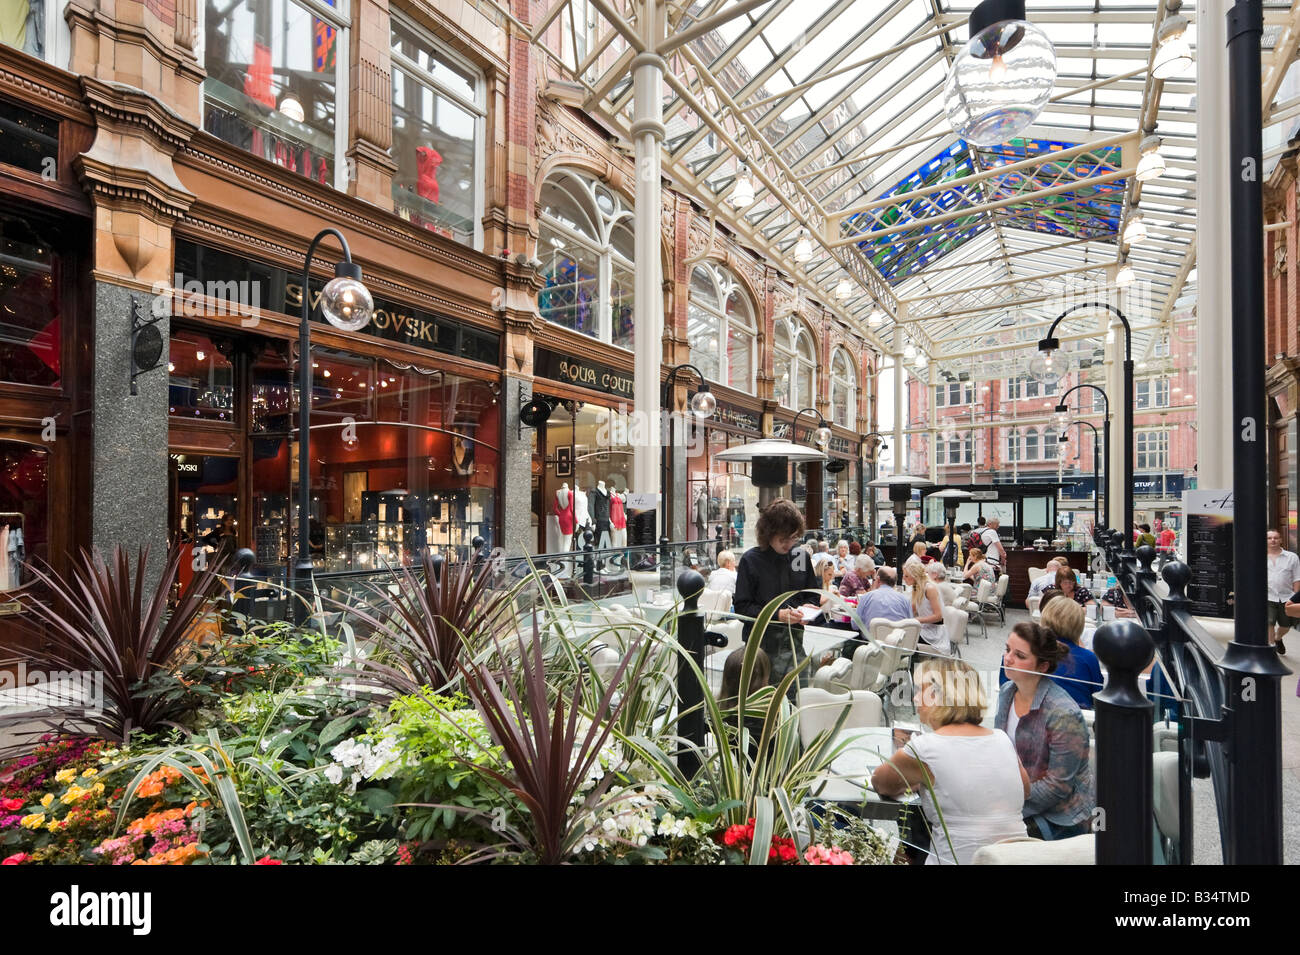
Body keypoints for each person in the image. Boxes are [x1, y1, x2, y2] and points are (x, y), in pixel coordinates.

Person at [872, 657, 1029, 865]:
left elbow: (880, 783)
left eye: (921, 691)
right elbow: (1024, 790)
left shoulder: (924, 748)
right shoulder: (1002, 738)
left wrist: (919, 782)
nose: (915, 699)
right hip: (1016, 857)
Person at [995, 622, 1095, 840]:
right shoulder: (1007, 693)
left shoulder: (1064, 713)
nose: (1008, 658)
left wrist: (1005, 808)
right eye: (1007, 649)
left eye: (1020, 655)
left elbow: (1057, 787)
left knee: (987, 836)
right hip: (1018, 799)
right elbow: (999, 752)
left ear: (1042, 666)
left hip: (1061, 818)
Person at [733, 499, 826, 688]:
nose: (789, 544)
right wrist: (777, 615)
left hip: (794, 645)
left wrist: (808, 609)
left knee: (795, 699)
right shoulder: (751, 561)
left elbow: (811, 594)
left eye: (794, 538)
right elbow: (742, 607)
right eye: (783, 539)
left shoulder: (799, 556)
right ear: (769, 533)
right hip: (760, 648)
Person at [1040, 596, 1103, 710]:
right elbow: (1098, 695)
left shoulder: (1032, 651)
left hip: (1035, 720)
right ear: (1079, 625)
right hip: (1078, 721)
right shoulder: (1088, 658)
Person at [904, 557, 949, 655]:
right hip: (924, 629)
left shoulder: (930, 588)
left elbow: (938, 616)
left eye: (906, 576)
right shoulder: (917, 587)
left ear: (915, 576)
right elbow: (913, 609)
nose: (904, 578)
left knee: (904, 638)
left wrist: (918, 620)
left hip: (933, 634)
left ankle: (910, 666)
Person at [1266, 529, 1300, 656]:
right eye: (1269, 538)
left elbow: (1297, 578)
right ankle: (1271, 649)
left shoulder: (1292, 557)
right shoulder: (1259, 557)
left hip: (1287, 597)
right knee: (1269, 622)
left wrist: (1296, 599)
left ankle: (1278, 638)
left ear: (1281, 540)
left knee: (1286, 626)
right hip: (1268, 596)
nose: (1273, 540)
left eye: (1275, 538)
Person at [853, 564, 912, 632]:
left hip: (870, 641)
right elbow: (910, 626)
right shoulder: (905, 600)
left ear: (878, 579)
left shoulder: (866, 597)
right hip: (896, 640)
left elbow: (855, 625)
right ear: (894, 581)